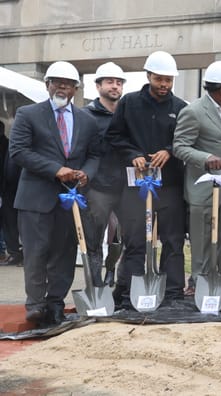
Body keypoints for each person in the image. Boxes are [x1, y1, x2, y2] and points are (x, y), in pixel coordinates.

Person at [9, 61, 101, 325]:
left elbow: (94, 155)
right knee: (36, 253)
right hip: (36, 198)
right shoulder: (28, 114)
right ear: (47, 85)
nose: (62, 87)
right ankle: (35, 305)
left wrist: (86, 173)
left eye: (68, 84)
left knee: (64, 254)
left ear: (75, 89)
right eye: (57, 82)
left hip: (70, 200)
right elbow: (19, 151)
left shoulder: (87, 120)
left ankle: (55, 304)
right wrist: (55, 169)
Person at [106, 51, 188, 308]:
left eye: (168, 80)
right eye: (159, 79)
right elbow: (114, 136)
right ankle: (130, 293)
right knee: (135, 241)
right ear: (148, 76)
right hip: (135, 187)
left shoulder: (181, 108)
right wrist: (133, 155)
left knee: (173, 240)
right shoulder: (129, 103)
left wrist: (170, 150)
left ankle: (173, 293)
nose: (164, 85)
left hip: (170, 185)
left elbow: (186, 140)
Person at [173, 61, 221, 292]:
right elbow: (179, 146)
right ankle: (200, 283)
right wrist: (205, 157)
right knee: (203, 239)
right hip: (203, 189)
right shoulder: (194, 111)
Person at [82, 62, 126, 287]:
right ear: (98, 85)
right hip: (98, 187)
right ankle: (95, 283)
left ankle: (112, 273)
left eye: (119, 83)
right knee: (94, 238)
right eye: (110, 82)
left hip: (126, 187)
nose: (115, 87)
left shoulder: (127, 114)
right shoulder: (86, 116)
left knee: (121, 237)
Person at [0, 125, 23, 267]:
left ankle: (16, 253)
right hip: (9, 189)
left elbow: (11, 171)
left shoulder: (11, 144)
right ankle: (15, 252)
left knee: (13, 224)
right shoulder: (10, 143)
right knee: (10, 224)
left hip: (13, 189)